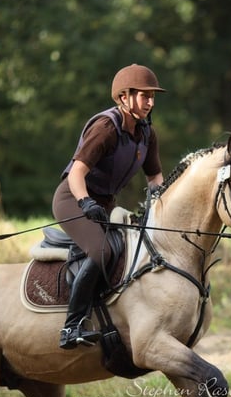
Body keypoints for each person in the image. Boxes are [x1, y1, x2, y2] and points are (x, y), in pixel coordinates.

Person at [52, 64, 166, 349]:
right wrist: (85, 201)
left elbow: (154, 177)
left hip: (104, 205)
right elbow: (77, 172)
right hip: (72, 198)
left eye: (153, 97)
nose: (150, 102)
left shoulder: (146, 133)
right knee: (103, 250)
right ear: (124, 97)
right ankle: (72, 325)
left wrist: (160, 203)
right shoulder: (106, 127)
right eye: (144, 96)